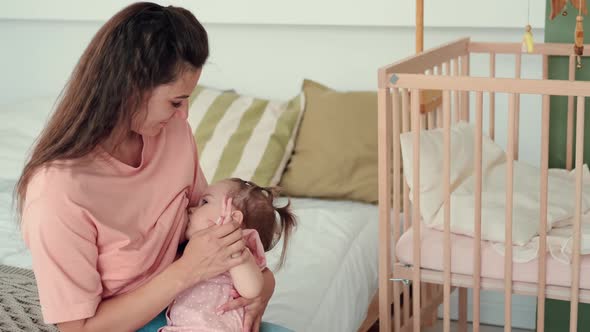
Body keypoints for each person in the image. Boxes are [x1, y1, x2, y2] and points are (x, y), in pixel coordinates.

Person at [16, 3, 288, 331]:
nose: (184, 115)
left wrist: (264, 285)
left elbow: (209, 230)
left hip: (194, 307)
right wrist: (187, 271)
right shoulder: (58, 192)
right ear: (129, 89)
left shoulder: (172, 134)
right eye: (175, 102)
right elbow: (78, 329)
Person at [159, 178, 295, 331]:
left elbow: (251, 289)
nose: (191, 208)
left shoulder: (239, 252)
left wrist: (234, 251)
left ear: (233, 219)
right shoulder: (186, 250)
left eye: (204, 202)